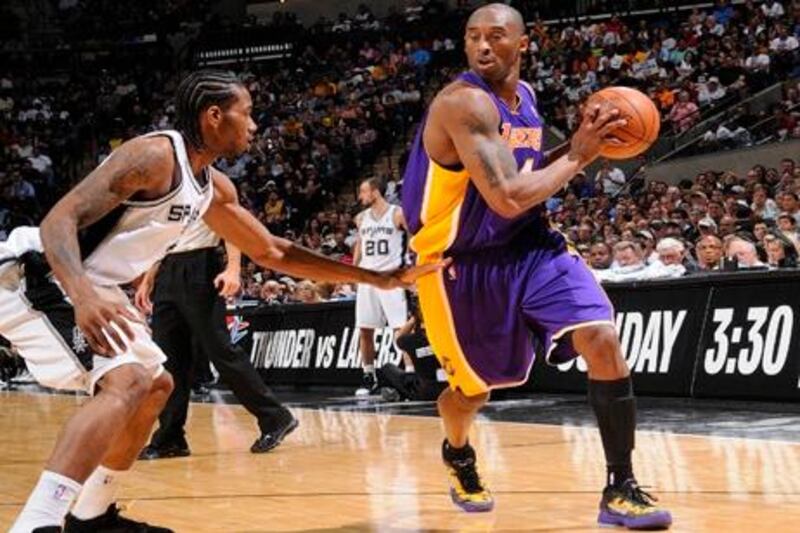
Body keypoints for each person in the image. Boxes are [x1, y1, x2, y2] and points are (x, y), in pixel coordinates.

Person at [0, 70, 442, 533]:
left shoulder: (211, 187)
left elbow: (272, 251)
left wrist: (376, 277)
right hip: (42, 274)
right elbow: (58, 221)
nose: (253, 125)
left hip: (92, 284)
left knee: (155, 387)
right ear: (214, 116)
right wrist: (83, 295)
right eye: (246, 114)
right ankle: (36, 523)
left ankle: (91, 516)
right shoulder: (153, 156)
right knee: (127, 380)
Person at [401, 4, 671, 529]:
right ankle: (457, 451)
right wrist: (583, 156)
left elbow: (528, 176)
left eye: (496, 37)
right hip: (459, 262)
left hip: (529, 243)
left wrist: (579, 144)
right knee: (474, 391)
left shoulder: (523, 98)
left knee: (601, 337)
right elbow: (504, 196)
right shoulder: (462, 104)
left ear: (523, 44)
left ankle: (621, 486)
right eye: (473, 37)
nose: (482, 46)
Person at [134, 218, 297, 461]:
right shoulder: (170, 193)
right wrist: (148, 278)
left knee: (220, 349)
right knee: (169, 359)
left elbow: (231, 226)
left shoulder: (208, 184)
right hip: (168, 270)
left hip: (201, 265)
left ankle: (275, 417)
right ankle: (170, 438)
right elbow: (166, 242)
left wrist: (233, 268)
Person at [352, 177, 411, 396]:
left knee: (400, 328)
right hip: (367, 279)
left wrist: (411, 264)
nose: (360, 196)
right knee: (365, 329)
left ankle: (411, 373)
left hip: (391, 278)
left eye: (363, 191)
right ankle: (369, 376)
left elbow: (414, 235)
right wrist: (354, 270)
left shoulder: (397, 213)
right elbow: (360, 245)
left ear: (375, 192)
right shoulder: (360, 218)